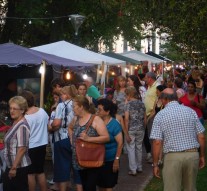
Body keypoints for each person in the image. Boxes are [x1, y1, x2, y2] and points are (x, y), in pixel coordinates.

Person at [150, 88, 205, 191]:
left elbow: (157, 142)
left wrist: (155, 164)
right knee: (191, 188)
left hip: (172, 157)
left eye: (160, 98)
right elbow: (201, 136)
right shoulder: (190, 111)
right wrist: (202, 156)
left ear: (165, 99)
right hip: (192, 155)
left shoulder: (160, 115)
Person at [68, 95, 109, 191]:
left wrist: (88, 139)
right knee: (85, 185)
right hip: (79, 160)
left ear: (81, 107)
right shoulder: (75, 119)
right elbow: (69, 128)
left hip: (92, 159)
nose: (72, 109)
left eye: (74, 106)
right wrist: (72, 139)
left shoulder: (95, 119)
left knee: (90, 187)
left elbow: (106, 137)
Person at [48, 85, 81, 191]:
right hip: (77, 138)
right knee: (77, 166)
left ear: (67, 94)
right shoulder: (79, 104)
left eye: (62, 94)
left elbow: (57, 123)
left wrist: (51, 125)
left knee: (62, 167)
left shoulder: (61, 106)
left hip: (62, 138)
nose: (61, 96)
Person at [20, 90, 49, 191]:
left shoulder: (25, 117)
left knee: (30, 174)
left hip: (30, 147)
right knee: (40, 172)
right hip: (42, 145)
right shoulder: (42, 111)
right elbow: (48, 125)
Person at [3, 96, 31, 191]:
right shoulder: (15, 123)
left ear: (22, 110)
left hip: (18, 168)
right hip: (11, 165)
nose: (11, 111)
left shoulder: (22, 126)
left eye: (15, 109)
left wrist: (14, 168)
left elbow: (22, 148)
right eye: (10, 108)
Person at [96, 99, 123, 191]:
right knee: (100, 184)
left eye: (100, 110)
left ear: (107, 112)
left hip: (110, 159)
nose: (97, 111)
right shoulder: (96, 122)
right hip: (98, 158)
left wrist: (116, 160)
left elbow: (120, 143)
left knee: (108, 185)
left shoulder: (114, 124)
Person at [124, 86, 146, 175]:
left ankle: (133, 169)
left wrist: (126, 132)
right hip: (140, 128)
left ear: (129, 95)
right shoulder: (142, 104)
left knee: (131, 148)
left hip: (131, 129)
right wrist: (144, 127)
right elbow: (145, 118)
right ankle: (139, 167)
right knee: (139, 148)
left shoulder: (128, 105)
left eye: (126, 95)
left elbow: (126, 119)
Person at [144, 72, 159, 162]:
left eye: (145, 78)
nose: (144, 79)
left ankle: (155, 157)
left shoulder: (157, 86)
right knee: (149, 136)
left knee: (153, 136)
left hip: (153, 114)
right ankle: (153, 156)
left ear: (149, 78)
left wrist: (153, 113)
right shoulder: (149, 86)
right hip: (147, 114)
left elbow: (157, 101)